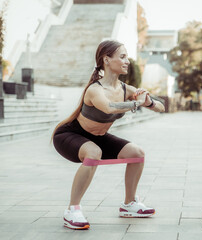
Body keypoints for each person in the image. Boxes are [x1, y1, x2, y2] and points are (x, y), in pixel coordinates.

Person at [52, 40, 165, 230]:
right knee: (93, 152)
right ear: (107, 59)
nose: (127, 61)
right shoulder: (95, 89)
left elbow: (161, 107)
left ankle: (129, 204)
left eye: (127, 57)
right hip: (70, 135)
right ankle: (72, 209)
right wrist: (137, 104)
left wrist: (148, 102)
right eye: (122, 57)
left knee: (137, 153)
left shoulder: (125, 89)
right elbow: (109, 107)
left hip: (98, 137)